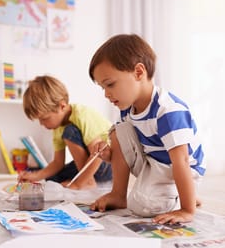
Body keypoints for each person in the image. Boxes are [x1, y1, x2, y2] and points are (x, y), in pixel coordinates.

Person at [88, 34, 206, 224]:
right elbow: (126, 150)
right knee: (117, 131)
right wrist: (109, 155)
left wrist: (186, 210)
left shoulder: (167, 110)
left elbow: (181, 161)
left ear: (138, 72)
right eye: (103, 87)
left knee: (141, 205)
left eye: (110, 84)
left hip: (177, 168)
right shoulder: (127, 110)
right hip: (153, 163)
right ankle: (118, 195)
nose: (106, 94)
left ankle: (183, 197)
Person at [18, 75, 112, 190]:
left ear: (62, 106)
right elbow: (58, 163)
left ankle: (87, 182)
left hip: (108, 163)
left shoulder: (82, 115)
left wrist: (78, 184)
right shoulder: (58, 127)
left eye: (44, 118)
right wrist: (34, 176)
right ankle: (84, 180)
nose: (41, 124)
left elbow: (97, 155)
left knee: (69, 131)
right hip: (91, 167)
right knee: (53, 178)